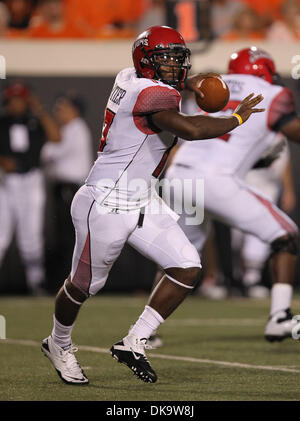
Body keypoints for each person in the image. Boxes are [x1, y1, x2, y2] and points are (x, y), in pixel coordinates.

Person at [41, 25, 264, 385]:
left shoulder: (129, 75)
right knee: (83, 286)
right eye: (166, 60)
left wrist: (190, 82)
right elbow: (189, 129)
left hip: (140, 194)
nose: (175, 66)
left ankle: (134, 341)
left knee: (187, 266)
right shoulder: (149, 94)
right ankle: (59, 343)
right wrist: (235, 118)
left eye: (178, 59)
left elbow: (169, 83)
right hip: (107, 198)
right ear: (147, 63)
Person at [163, 46, 300, 345]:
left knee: (178, 258)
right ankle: (279, 318)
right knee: (286, 235)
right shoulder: (271, 92)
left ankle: (143, 334)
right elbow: (293, 131)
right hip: (214, 180)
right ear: (264, 70)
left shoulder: (213, 84)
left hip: (180, 176)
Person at [0, 81, 61, 294]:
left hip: (32, 178)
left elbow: (56, 137)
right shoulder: (2, 121)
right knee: (1, 234)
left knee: (31, 234)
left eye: (21, 98)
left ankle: (35, 283)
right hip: (7, 181)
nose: (16, 103)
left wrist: (39, 108)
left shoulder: (35, 120)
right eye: (13, 99)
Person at [41, 93, 93, 283]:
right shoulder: (69, 129)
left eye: (62, 108)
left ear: (74, 111)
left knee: (69, 236)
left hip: (71, 189)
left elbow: (50, 154)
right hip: (65, 189)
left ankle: (71, 278)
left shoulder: (75, 128)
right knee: (65, 234)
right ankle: (66, 277)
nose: (58, 111)